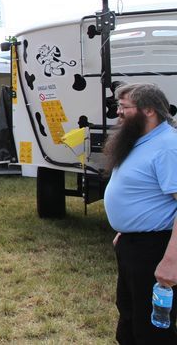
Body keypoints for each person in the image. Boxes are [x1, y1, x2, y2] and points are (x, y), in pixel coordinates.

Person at [103, 83, 177, 344]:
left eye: (124, 107)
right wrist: (125, 228)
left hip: (154, 249)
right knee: (130, 316)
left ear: (148, 110)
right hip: (132, 244)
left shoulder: (168, 146)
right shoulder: (140, 139)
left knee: (151, 329)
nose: (118, 113)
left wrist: (171, 261)